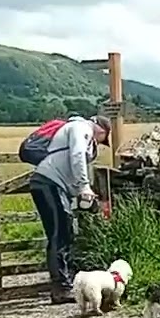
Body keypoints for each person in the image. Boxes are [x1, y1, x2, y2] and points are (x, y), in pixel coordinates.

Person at [28, 114, 111, 304]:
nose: (99, 144)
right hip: (49, 183)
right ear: (100, 130)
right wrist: (84, 186)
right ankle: (61, 288)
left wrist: (82, 196)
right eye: (102, 139)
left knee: (64, 232)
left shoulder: (76, 130)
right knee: (59, 233)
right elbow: (77, 155)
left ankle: (64, 283)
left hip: (51, 184)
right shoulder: (80, 129)